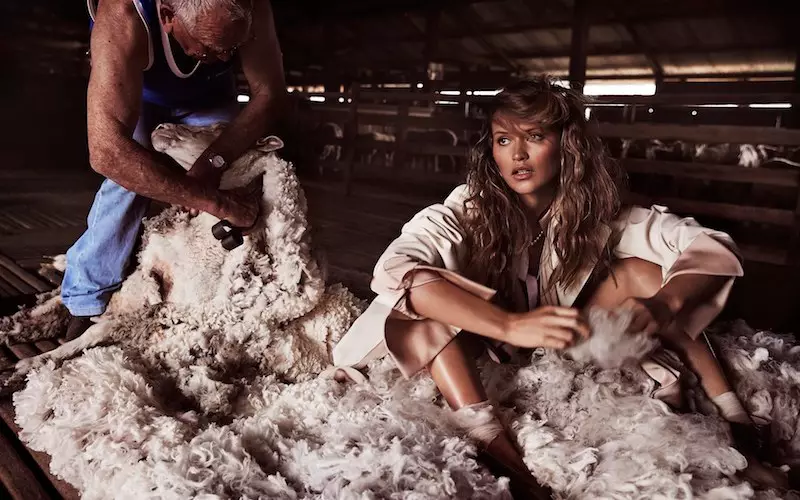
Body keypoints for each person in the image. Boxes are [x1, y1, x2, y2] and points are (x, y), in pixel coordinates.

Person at [332, 77, 789, 496]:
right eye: (504, 140)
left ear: (566, 145)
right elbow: (397, 268)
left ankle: (733, 414)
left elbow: (707, 246)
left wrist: (664, 303)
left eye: (535, 137)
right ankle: (497, 447)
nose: (518, 155)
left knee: (647, 274)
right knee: (424, 304)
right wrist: (509, 325)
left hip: (550, 342)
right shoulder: (466, 209)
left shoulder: (595, 214)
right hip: (471, 346)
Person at [61, 0, 286, 339]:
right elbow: (107, 152)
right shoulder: (123, 13)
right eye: (212, 47)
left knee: (241, 170)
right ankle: (86, 298)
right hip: (138, 96)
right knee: (126, 183)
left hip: (208, 99)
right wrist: (214, 202)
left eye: (234, 48)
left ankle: (221, 286)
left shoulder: (252, 6)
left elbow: (269, 94)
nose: (227, 59)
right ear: (167, 16)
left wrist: (213, 163)